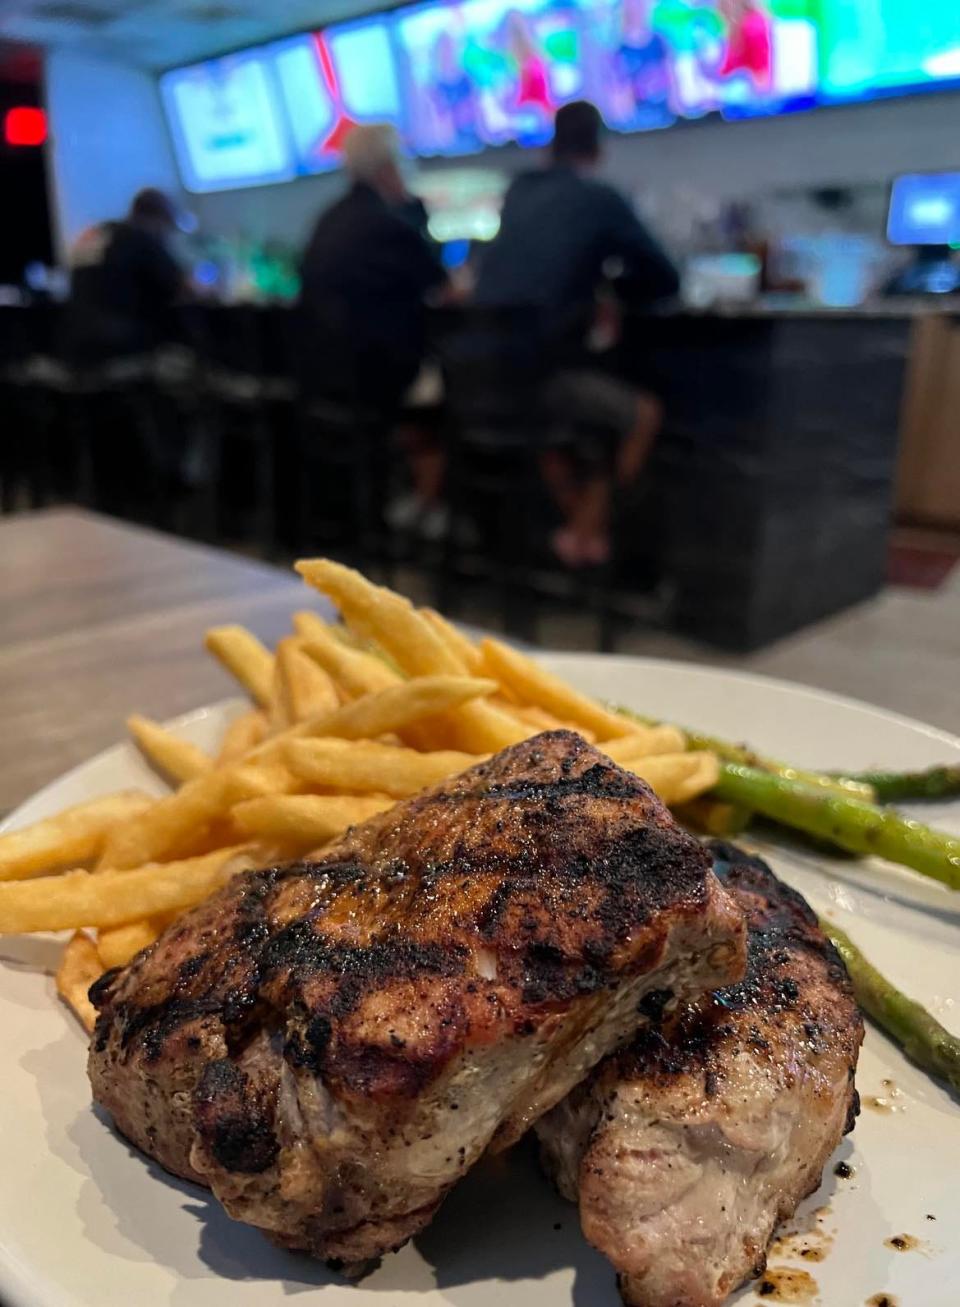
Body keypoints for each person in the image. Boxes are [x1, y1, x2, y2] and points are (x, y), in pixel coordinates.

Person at [474, 99, 679, 567]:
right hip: (538, 383)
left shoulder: (518, 192)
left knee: (562, 433)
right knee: (638, 416)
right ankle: (586, 538)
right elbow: (665, 278)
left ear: (551, 144)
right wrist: (616, 288)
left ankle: (572, 535)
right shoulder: (598, 198)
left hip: (478, 383)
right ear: (598, 148)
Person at [299, 124, 449, 521]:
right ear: (389, 169)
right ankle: (428, 514)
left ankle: (401, 505)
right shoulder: (390, 225)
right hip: (377, 380)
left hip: (324, 380)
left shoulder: (326, 220)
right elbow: (445, 289)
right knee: (454, 394)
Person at [65, 188, 186, 366]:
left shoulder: (98, 232)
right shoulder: (142, 238)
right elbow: (180, 288)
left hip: (75, 341)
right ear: (159, 220)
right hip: (123, 345)